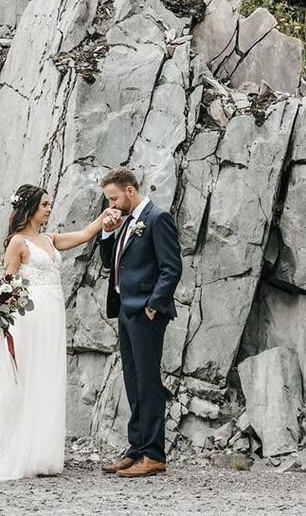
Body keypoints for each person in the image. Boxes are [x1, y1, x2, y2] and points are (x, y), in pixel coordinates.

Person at [0, 184, 115, 480]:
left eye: (50, 204)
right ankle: (15, 450)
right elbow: (5, 287)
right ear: (31, 208)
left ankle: (41, 454)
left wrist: (105, 218)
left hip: (53, 317)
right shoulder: (18, 243)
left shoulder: (50, 239)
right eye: (45, 204)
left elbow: (86, 235)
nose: (50, 208)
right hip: (30, 319)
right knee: (28, 377)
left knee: (47, 377)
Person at [96, 166, 182, 477]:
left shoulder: (157, 219)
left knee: (148, 382)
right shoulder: (126, 221)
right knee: (133, 382)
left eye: (114, 198)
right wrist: (107, 230)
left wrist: (152, 307)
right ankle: (137, 448)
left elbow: (171, 268)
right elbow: (109, 262)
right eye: (109, 200)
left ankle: (154, 454)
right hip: (125, 311)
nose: (112, 205)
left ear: (130, 191)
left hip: (145, 313)